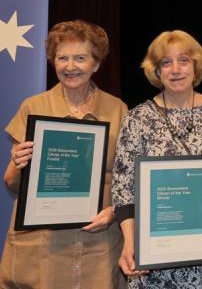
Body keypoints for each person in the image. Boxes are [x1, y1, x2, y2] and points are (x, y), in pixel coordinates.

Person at [0, 20, 127, 288]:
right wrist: (16, 163)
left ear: (96, 64)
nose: (70, 66)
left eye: (80, 58)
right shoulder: (33, 107)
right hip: (46, 244)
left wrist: (115, 211)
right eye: (62, 58)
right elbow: (12, 183)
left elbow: (127, 179)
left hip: (98, 240)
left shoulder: (118, 109)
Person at [111, 30, 202, 288]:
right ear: (156, 71)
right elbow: (123, 187)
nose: (175, 69)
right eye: (165, 63)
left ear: (196, 65)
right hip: (153, 254)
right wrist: (130, 239)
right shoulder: (137, 118)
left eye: (183, 60)